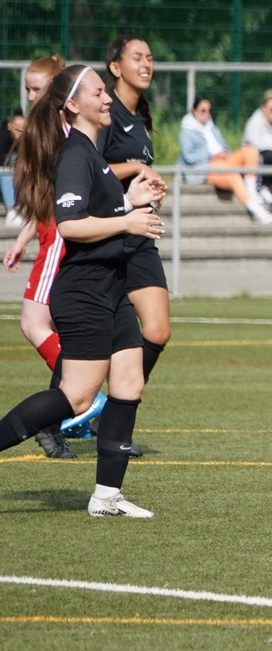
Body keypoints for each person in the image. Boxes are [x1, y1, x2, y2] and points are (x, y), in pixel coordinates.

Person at [5, 63, 165, 516]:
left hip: (111, 287)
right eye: (98, 92)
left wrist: (132, 201)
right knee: (76, 397)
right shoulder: (75, 153)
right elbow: (71, 226)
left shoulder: (92, 154)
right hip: (85, 291)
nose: (107, 97)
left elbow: (102, 211)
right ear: (73, 105)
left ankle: (106, 496)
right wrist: (128, 221)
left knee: (130, 382)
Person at [4, 53, 107, 460]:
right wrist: (23, 237)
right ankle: (76, 402)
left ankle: (83, 399)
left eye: (36, 89)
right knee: (48, 326)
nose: (30, 97)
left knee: (33, 322)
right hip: (51, 231)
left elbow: (61, 198)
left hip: (59, 237)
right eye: (27, 89)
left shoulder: (67, 132)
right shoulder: (54, 132)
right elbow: (50, 195)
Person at [98, 30, 172, 457]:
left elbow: (136, 174)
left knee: (158, 330)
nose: (146, 64)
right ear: (116, 67)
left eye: (150, 57)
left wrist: (153, 190)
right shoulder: (104, 112)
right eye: (137, 57)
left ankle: (112, 414)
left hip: (140, 233)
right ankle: (56, 423)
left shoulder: (140, 118)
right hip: (108, 232)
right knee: (93, 340)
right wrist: (135, 168)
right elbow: (91, 168)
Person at [178, 96, 272, 225]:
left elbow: (224, 146)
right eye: (203, 111)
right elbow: (189, 157)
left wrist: (225, 152)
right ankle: (257, 210)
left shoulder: (212, 128)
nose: (207, 114)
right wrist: (213, 154)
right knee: (233, 175)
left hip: (223, 160)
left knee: (250, 151)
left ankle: (251, 191)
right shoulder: (187, 132)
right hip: (207, 166)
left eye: (209, 111)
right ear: (194, 112)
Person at [1, 108, 25, 226]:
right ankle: (12, 211)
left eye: (23, 128)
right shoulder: (3, 137)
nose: (20, 131)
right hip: (4, 174)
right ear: (10, 126)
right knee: (5, 174)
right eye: (17, 127)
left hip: (17, 174)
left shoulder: (26, 139)